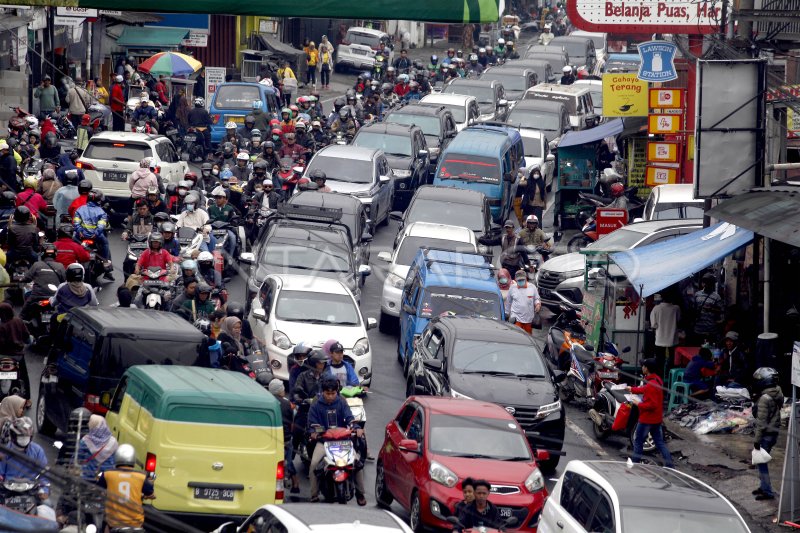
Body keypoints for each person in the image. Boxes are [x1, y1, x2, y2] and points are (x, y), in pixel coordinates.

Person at [307, 378, 366, 505]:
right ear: (322, 392)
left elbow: (349, 418)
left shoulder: (342, 403)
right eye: (327, 393)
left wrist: (356, 428)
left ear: (336, 392)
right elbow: (311, 423)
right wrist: (314, 432)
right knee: (313, 464)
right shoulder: (316, 406)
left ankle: (360, 493)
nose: (330, 396)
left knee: (357, 464)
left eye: (333, 393)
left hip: (343, 441)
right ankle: (314, 494)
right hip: (324, 442)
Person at [627, 358, 674, 467]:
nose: (642, 368)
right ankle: (670, 466)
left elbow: (652, 405)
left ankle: (635, 465)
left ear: (647, 368)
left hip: (647, 419)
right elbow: (645, 389)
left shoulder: (652, 384)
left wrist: (638, 404)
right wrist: (632, 389)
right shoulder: (656, 380)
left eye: (643, 366)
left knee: (638, 442)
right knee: (660, 443)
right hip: (656, 419)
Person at [96, 444, 154, 530]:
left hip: (114, 522)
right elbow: (152, 494)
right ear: (133, 459)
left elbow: (97, 490)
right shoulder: (141, 476)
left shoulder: (107, 474)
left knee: (104, 526)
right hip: (135, 523)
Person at [0, 417, 50, 503]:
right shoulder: (4, 452)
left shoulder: (37, 451)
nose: (24, 440)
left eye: (27, 437)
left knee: (47, 505)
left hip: (31, 492)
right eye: (21, 437)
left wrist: (44, 490)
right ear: (13, 436)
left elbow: (44, 473)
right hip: (7, 493)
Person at [752, 367, 783, 501]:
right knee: (760, 462)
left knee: (761, 462)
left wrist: (757, 440)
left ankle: (767, 491)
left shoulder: (764, 398)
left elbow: (761, 423)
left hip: (766, 434)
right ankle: (763, 486)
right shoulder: (777, 392)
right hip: (773, 432)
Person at [266, 377, 300, 494]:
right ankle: (296, 483)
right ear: (281, 390)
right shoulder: (288, 404)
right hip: (285, 438)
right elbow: (292, 421)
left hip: (269, 439)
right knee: (288, 461)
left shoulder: (267, 403)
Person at [20, 244, 65, 320]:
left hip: (37, 296)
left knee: (23, 315)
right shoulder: (60, 266)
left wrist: (21, 280)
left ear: (42, 254)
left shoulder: (37, 265)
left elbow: (27, 278)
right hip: (55, 298)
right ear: (55, 254)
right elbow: (64, 281)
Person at [73, 190, 112, 277]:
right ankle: (105, 262)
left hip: (81, 236)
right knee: (105, 243)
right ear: (99, 201)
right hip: (96, 236)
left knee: (73, 244)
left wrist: (79, 231)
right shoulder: (101, 211)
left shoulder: (80, 209)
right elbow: (101, 225)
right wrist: (96, 233)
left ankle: (72, 259)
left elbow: (76, 222)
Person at [76, 414, 118, 481]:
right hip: (106, 478)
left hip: (88, 477)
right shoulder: (113, 441)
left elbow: (78, 457)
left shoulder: (86, 441)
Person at [649, 293, 681, 373]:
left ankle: (660, 377)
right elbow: (678, 320)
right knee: (672, 360)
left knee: (660, 360)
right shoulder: (676, 308)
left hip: (660, 339)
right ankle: (670, 376)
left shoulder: (656, 309)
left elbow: (653, 325)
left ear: (662, 298)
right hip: (673, 339)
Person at [504, 269, 541, 333]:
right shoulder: (512, 288)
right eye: (519, 280)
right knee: (516, 335)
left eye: (522, 280)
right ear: (516, 280)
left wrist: (537, 304)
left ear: (526, 279)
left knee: (528, 337)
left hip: (529, 319)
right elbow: (508, 302)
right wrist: (506, 314)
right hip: (516, 318)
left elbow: (536, 299)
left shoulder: (532, 287)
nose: (521, 281)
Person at [693, 273, 724, 344]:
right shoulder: (697, 294)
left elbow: (721, 312)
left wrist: (711, 309)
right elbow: (693, 309)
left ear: (712, 284)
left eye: (708, 282)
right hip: (698, 329)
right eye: (704, 282)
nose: (705, 284)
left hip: (711, 330)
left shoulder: (716, 297)